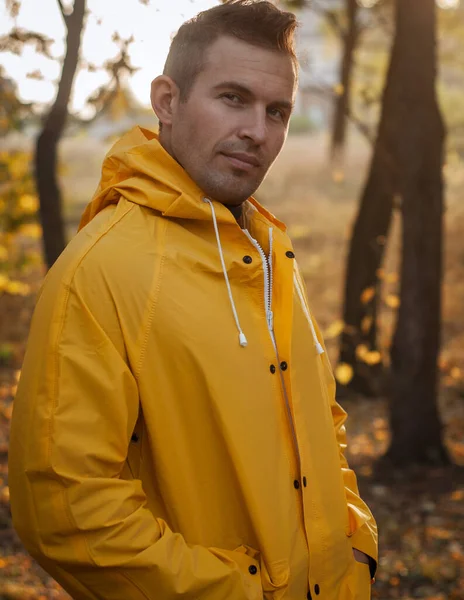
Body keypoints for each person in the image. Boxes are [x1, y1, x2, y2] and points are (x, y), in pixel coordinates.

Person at [9, 1, 378, 599]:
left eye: (276, 110)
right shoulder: (101, 270)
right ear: (167, 101)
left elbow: (320, 421)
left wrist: (356, 546)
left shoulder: (267, 251)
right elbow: (65, 507)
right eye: (233, 98)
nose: (257, 131)